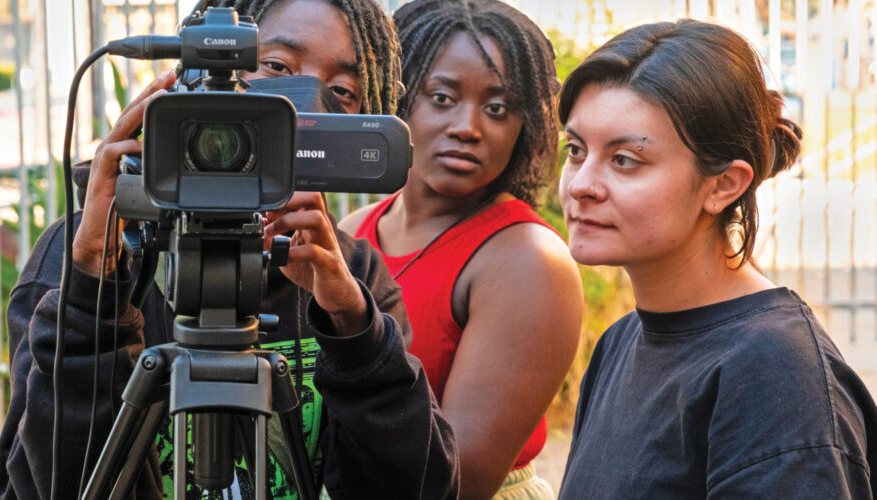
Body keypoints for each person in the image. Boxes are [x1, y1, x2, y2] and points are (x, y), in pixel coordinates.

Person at [0, 0, 459, 498]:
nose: (302, 100)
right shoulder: (82, 255)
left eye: (341, 91)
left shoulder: (352, 276)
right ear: (193, 78)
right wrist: (92, 290)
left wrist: (354, 330)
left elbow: (419, 487)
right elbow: (42, 486)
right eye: (277, 66)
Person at [556, 19, 877, 498]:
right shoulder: (620, 342)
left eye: (625, 159)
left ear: (725, 184)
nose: (581, 184)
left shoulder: (775, 374)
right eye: (576, 150)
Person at [340, 0, 583, 497]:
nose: (468, 127)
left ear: (524, 127)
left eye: (497, 108)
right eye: (442, 97)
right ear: (397, 97)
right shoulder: (354, 230)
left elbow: (459, 480)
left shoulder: (527, 258)